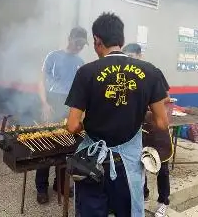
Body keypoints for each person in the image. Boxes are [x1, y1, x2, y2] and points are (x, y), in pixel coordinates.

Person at [65, 12, 169, 216]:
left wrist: (86, 126)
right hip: (127, 164)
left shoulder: (86, 72)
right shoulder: (151, 72)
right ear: (121, 40)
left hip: (92, 162)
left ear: (97, 41)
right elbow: (162, 123)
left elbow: (72, 125)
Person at [36, 27, 88, 204]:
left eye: (82, 43)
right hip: (52, 102)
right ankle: (41, 187)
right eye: (77, 41)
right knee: (46, 147)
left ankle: (60, 183)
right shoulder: (53, 56)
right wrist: (44, 103)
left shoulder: (81, 62)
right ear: (69, 38)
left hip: (71, 107)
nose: (80, 46)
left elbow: (81, 91)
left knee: (67, 148)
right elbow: (41, 81)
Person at [123, 43, 173, 217]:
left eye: (132, 56)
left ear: (139, 55)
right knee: (140, 162)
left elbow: (166, 97)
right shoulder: (127, 75)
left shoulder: (153, 72)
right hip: (138, 127)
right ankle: (142, 195)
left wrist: (150, 106)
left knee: (162, 165)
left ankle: (163, 201)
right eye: (126, 56)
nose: (130, 60)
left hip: (155, 126)